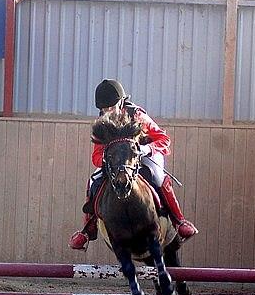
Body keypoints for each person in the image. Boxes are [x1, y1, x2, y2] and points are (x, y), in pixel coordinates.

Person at [69, 79, 198, 251]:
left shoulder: (137, 115)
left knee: (158, 177)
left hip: (144, 155)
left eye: (111, 107)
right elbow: (96, 155)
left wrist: (147, 149)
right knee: (93, 180)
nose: (108, 112)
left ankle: (178, 220)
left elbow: (163, 139)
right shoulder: (102, 123)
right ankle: (88, 229)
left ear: (121, 102)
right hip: (116, 161)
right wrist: (106, 161)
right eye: (104, 109)